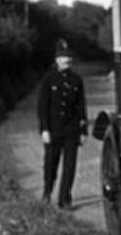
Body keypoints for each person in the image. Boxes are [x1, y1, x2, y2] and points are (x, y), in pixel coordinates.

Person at [36, 38, 88, 209]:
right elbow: (42, 106)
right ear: (57, 59)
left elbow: (81, 106)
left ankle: (64, 198)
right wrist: (44, 129)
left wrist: (83, 130)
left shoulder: (76, 80)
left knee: (70, 166)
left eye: (68, 57)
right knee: (51, 163)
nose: (67, 60)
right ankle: (47, 191)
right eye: (63, 57)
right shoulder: (48, 79)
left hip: (71, 129)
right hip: (54, 129)